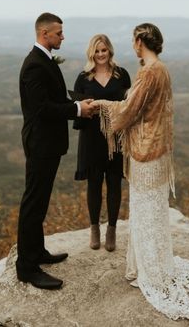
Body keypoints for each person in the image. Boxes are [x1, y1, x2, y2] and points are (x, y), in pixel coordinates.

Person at [92, 23, 189, 322]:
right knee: (154, 211)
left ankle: (151, 271)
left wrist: (101, 105)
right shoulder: (163, 69)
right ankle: (150, 265)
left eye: (134, 40)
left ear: (139, 42)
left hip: (146, 153)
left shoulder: (149, 72)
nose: (133, 45)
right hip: (158, 152)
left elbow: (129, 110)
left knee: (145, 212)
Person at [16, 12, 94, 290]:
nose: (63, 37)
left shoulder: (43, 59)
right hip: (40, 144)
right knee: (33, 203)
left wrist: (77, 101)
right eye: (59, 33)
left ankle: (37, 252)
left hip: (48, 144)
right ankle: (26, 268)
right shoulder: (35, 65)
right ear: (44, 34)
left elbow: (52, 98)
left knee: (40, 200)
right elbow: (41, 109)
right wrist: (76, 110)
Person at [73, 34, 131, 251]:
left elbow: (129, 106)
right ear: (91, 53)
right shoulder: (83, 77)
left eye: (103, 50)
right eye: (96, 51)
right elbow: (77, 109)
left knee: (115, 183)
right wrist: (87, 109)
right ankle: (95, 228)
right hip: (91, 137)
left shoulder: (121, 75)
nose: (100, 55)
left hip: (116, 137)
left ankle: (112, 230)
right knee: (94, 184)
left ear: (110, 51)